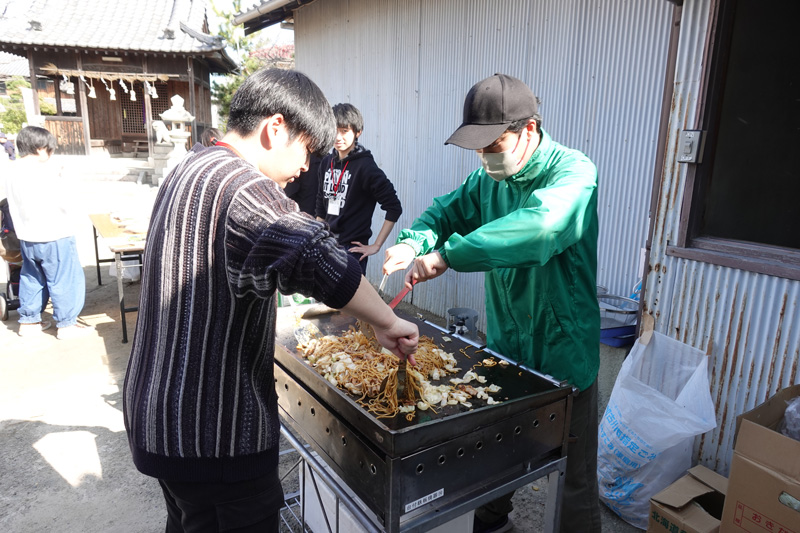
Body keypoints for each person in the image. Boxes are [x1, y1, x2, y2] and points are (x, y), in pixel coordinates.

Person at [123, 68, 419, 533]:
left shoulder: (190, 167)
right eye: (306, 150)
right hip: (213, 435)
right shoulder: (243, 186)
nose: (307, 166)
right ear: (275, 128)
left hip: (160, 416)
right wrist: (386, 320)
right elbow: (314, 252)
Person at [383, 73, 600, 533]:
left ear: (529, 130)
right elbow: (446, 210)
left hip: (561, 352)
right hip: (505, 346)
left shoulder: (574, 173)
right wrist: (413, 242)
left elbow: (539, 229)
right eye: (477, 149)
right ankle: (492, 526)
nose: (484, 159)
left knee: (572, 481)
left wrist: (447, 255)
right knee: (493, 458)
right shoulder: (488, 179)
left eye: (492, 146)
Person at [4, 126, 94, 340]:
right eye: (49, 149)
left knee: (32, 277)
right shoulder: (45, 171)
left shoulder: (12, 170)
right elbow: (65, 200)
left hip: (27, 235)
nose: (51, 154)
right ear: (39, 147)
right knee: (64, 278)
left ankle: (29, 321)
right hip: (55, 234)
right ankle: (66, 324)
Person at [315, 103, 402, 274]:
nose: (338, 137)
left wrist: (375, 246)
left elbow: (394, 207)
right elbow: (320, 203)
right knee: (328, 300)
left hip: (351, 250)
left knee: (349, 300)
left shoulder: (365, 166)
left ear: (357, 132)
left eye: (344, 131)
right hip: (326, 244)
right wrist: (317, 238)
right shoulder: (326, 162)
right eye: (334, 130)